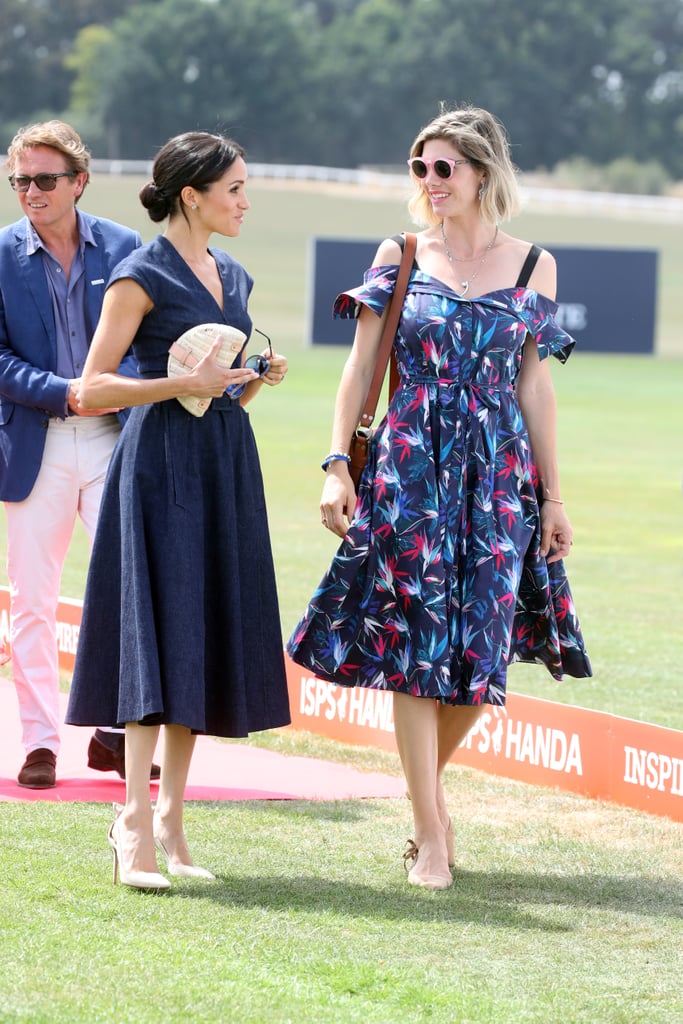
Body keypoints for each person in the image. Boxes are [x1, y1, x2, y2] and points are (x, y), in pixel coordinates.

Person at [287, 106, 591, 891]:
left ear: (481, 173)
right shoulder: (402, 253)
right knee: (413, 648)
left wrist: (552, 497)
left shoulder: (533, 267)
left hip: (496, 476)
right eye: (419, 167)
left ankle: (427, 801)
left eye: (443, 168)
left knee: (479, 652)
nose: (428, 182)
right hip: (409, 464)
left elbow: (534, 385)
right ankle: (429, 831)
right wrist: (335, 464)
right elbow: (359, 369)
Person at [65, 131, 291, 889]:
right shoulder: (139, 274)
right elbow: (91, 389)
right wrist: (176, 385)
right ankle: (131, 821)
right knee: (154, 638)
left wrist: (254, 377)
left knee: (197, 634)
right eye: (233, 189)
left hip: (224, 460)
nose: (244, 201)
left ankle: (172, 821)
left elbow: (222, 388)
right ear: (191, 195)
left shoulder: (234, 274)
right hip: (158, 463)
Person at [0, 119, 152, 789]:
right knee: (32, 600)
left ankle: (114, 732)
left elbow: (148, 338)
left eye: (44, 179)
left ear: (79, 182)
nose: (30, 192)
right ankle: (39, 741)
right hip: (35, 440)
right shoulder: (0, 255)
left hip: (115, 440)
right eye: (20, 180)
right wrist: (65, 392)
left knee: (125, 588)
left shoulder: (124, 246)